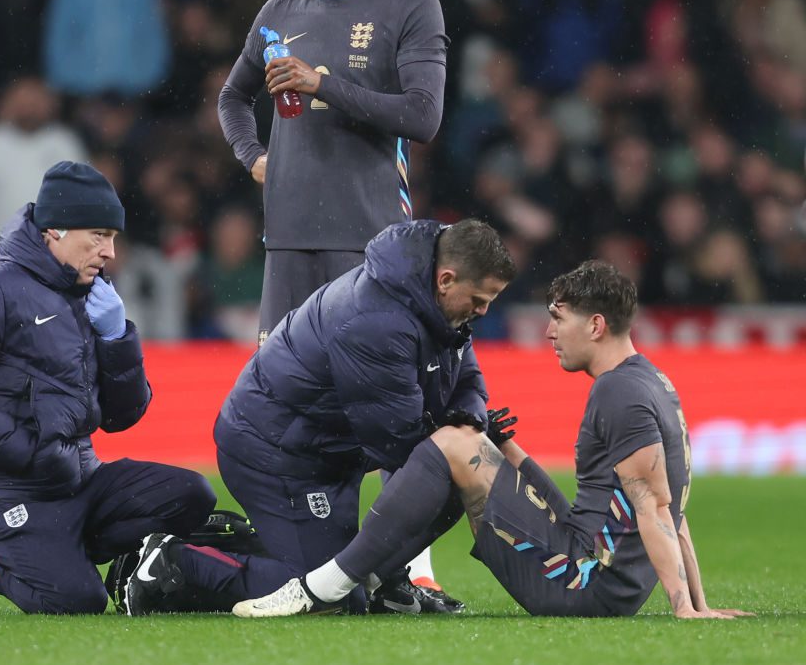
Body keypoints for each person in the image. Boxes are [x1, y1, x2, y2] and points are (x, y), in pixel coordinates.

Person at [233, 261, 755, 620]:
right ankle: (375, 577)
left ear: (596, 325)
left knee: (450, 444)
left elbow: (654, 505)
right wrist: (512, 453)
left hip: (585, 586)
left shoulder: (619, 395)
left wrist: (686, 607)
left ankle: (324, 586)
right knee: (467, 441)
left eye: (558, 318)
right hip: (598, 571)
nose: (549, 333)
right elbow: (658, 511)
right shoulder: (650, 381)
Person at [216, 0, 450, 595]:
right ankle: (301, 546)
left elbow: (423, 117)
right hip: (287, 243)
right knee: (279, 398)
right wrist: (255, 160)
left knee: (387, 401)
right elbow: (232, 98)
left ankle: (415, 567)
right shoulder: (280, 9)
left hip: (372, 245)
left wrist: (327, 85)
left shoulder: (409, 3)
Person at [112, 218, 515, 616]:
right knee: (330, 591)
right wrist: (465, 438)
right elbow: (398, 441)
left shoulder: (432, 303)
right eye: (480, 299)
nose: (483, 310)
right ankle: (175, 561)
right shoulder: (378, 321)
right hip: (275, 455)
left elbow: (469, 382)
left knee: (453, 467)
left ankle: (384, 577)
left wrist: (471, 420)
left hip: (325, 453)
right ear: (446, 280)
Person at [0, 161, 215, 615]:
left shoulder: (91, 294)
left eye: (113, 237)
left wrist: (118, 339)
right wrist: (20, 448)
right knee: (77, 600)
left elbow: (122, 416)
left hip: (73, 481)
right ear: (53, 230)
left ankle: (110, 561)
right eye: (97, 235)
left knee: (193, 494)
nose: (109, 251)